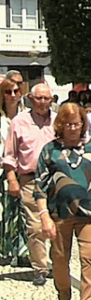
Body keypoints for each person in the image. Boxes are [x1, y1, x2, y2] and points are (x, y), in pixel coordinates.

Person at [34, 103, 91, 300]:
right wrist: (44, 216)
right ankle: (64, 297)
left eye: (76, 123)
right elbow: (39, 185)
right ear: (60, 124)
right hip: (60, 213)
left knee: (90, 257)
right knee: (59, 258)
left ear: (83, 124)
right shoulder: (50, 150)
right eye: (68, 124)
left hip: (89, 213)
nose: (72, 128)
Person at [3, 83, 57, 285]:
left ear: (52, 100)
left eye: (47, 98)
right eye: (39, 98)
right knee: (35, 226)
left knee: (58, 223)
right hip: (30, 179)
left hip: (56, 178)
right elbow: (9, 155)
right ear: (31, 99)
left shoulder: (58, 121)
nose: (43, 102)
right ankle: (40, 267)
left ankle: (58, 263)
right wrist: (12, 179)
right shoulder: (19, 122)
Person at [0, 79, 27, 267]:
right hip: (1, 171)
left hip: (22, 170)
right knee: (4, 213)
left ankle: (24, 252)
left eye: (16, 91)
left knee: (24, 213)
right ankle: (4, 250)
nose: (12, 95)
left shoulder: (26, 117)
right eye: (8, 92)